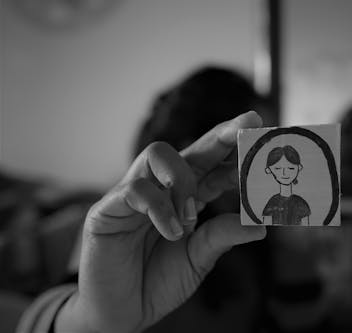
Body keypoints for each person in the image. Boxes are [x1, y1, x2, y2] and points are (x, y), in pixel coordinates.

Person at [17, 111, 267, 333]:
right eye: (251, 150)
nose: (263, 167)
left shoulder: (253, 249)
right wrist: (91, 321)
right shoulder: (111, 230)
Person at [262, 145, 311, 226]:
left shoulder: (301, 204)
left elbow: (307, 227)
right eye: (277, 168)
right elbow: (266, 224)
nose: (284, 173)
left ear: (299, 167)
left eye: (291, 168)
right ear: (269, 170)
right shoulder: (272, 203)